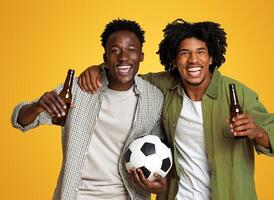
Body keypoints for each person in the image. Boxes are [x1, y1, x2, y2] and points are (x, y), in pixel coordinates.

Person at [78, 19, 274, 200]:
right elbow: (125, 74)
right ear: (175, 61)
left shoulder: (238, 93)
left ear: (211, 58)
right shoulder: (163, 87)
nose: (193, 60)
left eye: (200, 52)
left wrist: (256, 131)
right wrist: (99, 69)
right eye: (185, 53)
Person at [11, 19, 167, 200]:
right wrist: (37, 106)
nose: (123, 57)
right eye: (115, 51)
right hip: (76, 195)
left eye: (131, 50)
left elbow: (157, 152)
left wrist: (156, 183)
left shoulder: (153, 97)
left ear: (141, 56)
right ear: (105, 58)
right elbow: (19, 120)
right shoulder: (79, 89)